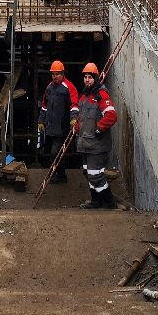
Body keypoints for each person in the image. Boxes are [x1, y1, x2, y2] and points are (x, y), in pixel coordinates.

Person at [72, 63, 118, 209]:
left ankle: (109, 203)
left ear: (96, 78)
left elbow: (111, 115)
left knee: (95, 175)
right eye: (85, 77)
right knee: (88, 173)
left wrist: (99, 128)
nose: (87, 80)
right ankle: (96, 201)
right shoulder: (85, 95)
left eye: (90, 77)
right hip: (85, 143)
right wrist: (77, 126)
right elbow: (83, 117)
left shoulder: (101, 95)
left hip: (97, 145)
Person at [38, 59, 79, 182]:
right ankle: (61, 175)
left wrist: (74, 118)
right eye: (53, 74)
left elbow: (74, 105)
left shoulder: (69, 87)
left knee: (55, 152)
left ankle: (58, 175)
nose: (55, 76)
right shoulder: (49, 87)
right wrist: (41, 120)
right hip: (50, 127)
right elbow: (44, 105)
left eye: (57, 74)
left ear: (62, 73)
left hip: (62, 128)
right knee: (55, 152)